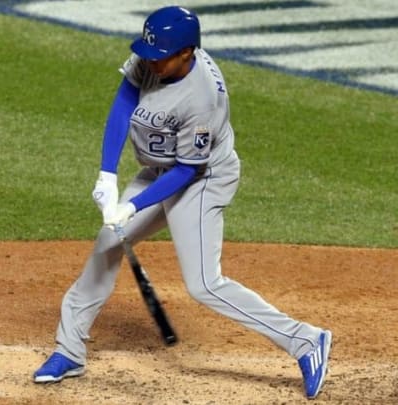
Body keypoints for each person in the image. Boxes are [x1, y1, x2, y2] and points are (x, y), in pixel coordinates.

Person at [32, 5, 332, 400]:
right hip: (158, 171)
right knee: (107, 246)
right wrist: (107, 173)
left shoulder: (202, 97)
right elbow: (124, 101)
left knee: (204, 284)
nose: (150, 62)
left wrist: (133, 207)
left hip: (200, 180)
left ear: (187, 53)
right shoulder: (156, 53)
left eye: (160, 58)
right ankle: (68, 350)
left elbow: (187, 171)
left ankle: (306, 341)